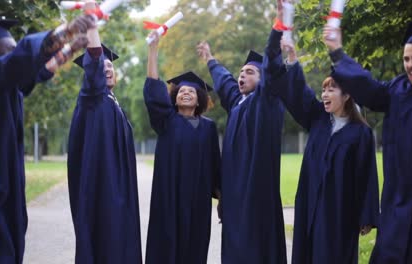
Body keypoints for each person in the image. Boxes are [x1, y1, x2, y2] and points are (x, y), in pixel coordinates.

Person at [0, 15, 94, 263]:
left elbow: (39, 72)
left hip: (3, 188)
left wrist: (68, 49)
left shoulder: (3, 84)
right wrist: (65, 31)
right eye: (10, 49)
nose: (16, 53)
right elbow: (20, 59)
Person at [323, 22, 412, 263]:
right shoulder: (397, 90)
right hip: (398, 207)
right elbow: (367, 86)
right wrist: (337, 53)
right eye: (406, 59)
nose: (410, 65)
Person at [277, 30, 379, 263]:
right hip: (309, 200)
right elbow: (300, 95)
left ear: (346, 97)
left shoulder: (360, 132)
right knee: (307, 253)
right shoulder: (317, 120)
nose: (324, 94)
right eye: (323, 89)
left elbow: (367, 175)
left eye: (331, 89)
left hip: (340, 209)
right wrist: (292, 59)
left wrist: (367, 215)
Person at [196, 1, 287, 263]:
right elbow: (224, 82)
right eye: (241, 72)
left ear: (263, 79)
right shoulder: (238, 104)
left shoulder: (266, 101)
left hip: (257, 192)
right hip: (235, 194)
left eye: (249, 72)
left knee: (255, 249)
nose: (242, 76)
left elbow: (271, 67)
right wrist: (211, 59)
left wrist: (278, 26)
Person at [67, 2, 142, 263]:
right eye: (103, 67)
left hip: (117, 189)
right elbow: (95, 64)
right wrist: (92, 26)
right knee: (105, 242)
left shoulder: (113, 104)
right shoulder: (92, 97)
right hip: (102, 187)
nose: (107, 69)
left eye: (112, 67)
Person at [144, 30, 221, 264]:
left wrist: (222, 199)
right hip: (170, 197)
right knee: (167, 245)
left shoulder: (208, 128)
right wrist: (153, 50)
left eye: (191, 92)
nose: (186, 93)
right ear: (174, 98)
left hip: (198, 200)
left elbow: (215, 166)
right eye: (181, 92)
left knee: (195, 246)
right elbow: (153, 89)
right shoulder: (166, 120)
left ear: (199, 99)